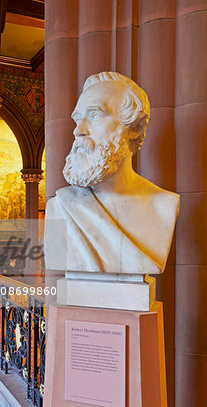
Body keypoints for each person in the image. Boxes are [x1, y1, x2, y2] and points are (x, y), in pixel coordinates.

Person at [44, 72, 179, 274]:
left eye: (95, 115)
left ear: (134, 128)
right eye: (77, 119)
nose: (78, 130)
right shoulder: (60, 206)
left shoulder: (164, 205)